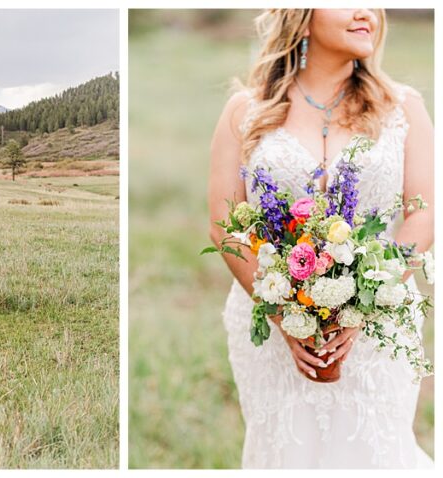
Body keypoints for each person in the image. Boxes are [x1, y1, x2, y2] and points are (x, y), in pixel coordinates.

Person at [208, 9, 433, 468]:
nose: (366, 11)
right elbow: (224, 225)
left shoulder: (404, 108)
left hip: (381, 323)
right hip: (272, 322)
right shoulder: (246, 112)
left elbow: (423, 218)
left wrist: (367, 306)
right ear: (303, 17)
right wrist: (284, 317)